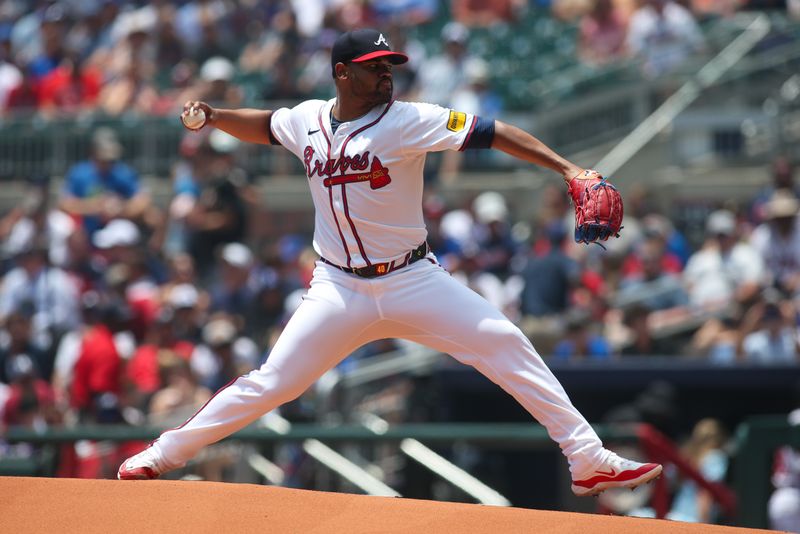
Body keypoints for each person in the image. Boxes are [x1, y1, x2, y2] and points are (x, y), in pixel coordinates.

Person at [118, 28, 662, 497]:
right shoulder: (307, 119)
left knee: (504, 341)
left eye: (388, 66)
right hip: (337, 288)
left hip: (411, 278)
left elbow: (494, 133)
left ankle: (587, 459)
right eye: (372, 67)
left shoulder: (407, 120)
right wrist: (214, 117)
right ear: (341, 74)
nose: (385, 74)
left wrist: (571, 170)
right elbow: (263, 125)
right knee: (273, 382)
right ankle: (162, 455)